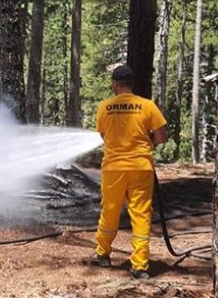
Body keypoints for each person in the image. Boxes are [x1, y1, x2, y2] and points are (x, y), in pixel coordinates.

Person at [85, 65, 167, 280]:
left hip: (113, 168)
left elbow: (104, 135)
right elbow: (160, 138)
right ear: (131, 84)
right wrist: (143, 141)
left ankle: (102, 254)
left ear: (115, 84)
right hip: (141, 168)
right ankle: (139, 266)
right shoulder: (148, 106)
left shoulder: (105, 107)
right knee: (140, 214)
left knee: (110, 211)